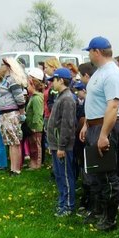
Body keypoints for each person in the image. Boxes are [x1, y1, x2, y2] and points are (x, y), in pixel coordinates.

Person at [79, 36, 119, 231]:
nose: (89, 55)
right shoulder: (100, 72)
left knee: (107, 175)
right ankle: (98, 211)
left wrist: (104, 135)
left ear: (96, 52)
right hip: (94, 126)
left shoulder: (112, 74)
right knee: (95, 173)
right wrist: (86, 125)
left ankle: (109, 218)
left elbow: (113, 106)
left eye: (90, 52)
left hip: (105, 127)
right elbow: (94, 103)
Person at [47, 68, 78, 217]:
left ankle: (68, 205)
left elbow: (67, 124)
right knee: (59, 175)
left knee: (66, 176)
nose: (51, 83)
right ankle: (62, 202)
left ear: (61, 80)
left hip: (63, 146)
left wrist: (61, 147)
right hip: (56, 144)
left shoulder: (67, 99)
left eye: (53, 80)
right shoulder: (61, 96)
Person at [0, 58, 28, 176]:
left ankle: (16, 169)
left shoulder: (13, 80)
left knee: (14, 142)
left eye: (3, 65)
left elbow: (20, 98)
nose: (1, 66)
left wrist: (22, 113)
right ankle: (12, 167)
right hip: (5, 114)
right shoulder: (6, 79)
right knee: (10, 142)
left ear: (9, 67)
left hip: (11, 114)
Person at [25, 68, 45, 170]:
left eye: (28, 85)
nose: (27, 87)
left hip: (35, 127)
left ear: (33, 85)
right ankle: (32, 162)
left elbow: (38, 113)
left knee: (36, 147)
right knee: (32, 146)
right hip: (31, 126)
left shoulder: (37, 98)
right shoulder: (33, 96)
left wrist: (34, 125)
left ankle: (37, 164)